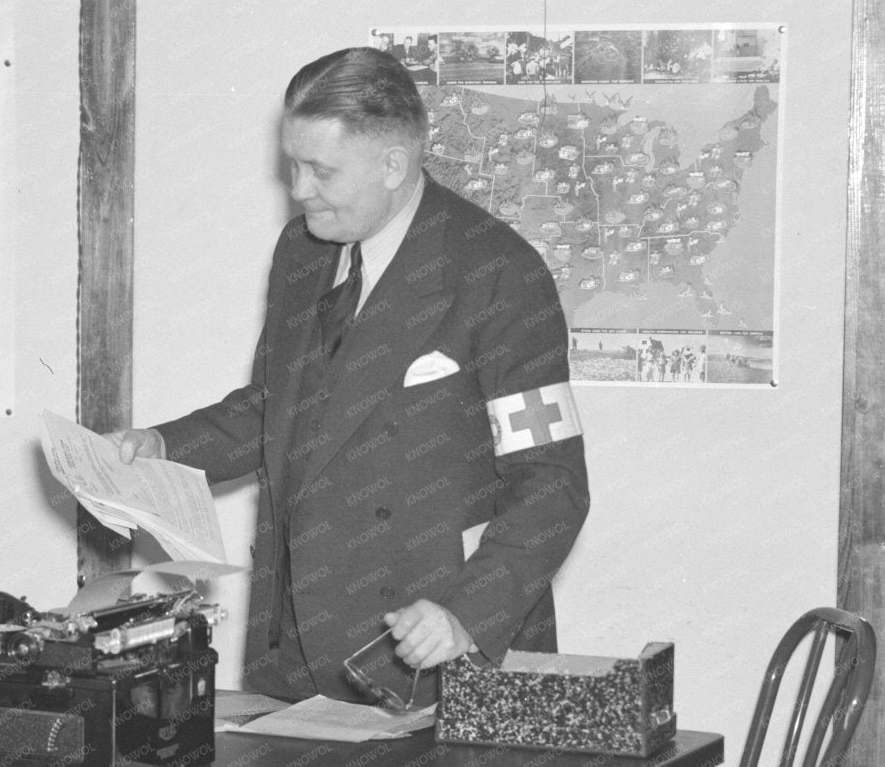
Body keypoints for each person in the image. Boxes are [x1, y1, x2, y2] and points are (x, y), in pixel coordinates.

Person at [113, 47, 589, 702]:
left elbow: (552, 482)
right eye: (293, 166)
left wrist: (466, 612)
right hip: (295, 646)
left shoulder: (498, 273)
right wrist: (163, 447)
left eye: (321, 170)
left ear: (393, 164)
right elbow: (277, 408)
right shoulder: (304, 251)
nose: (299, 189)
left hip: (427, 654)